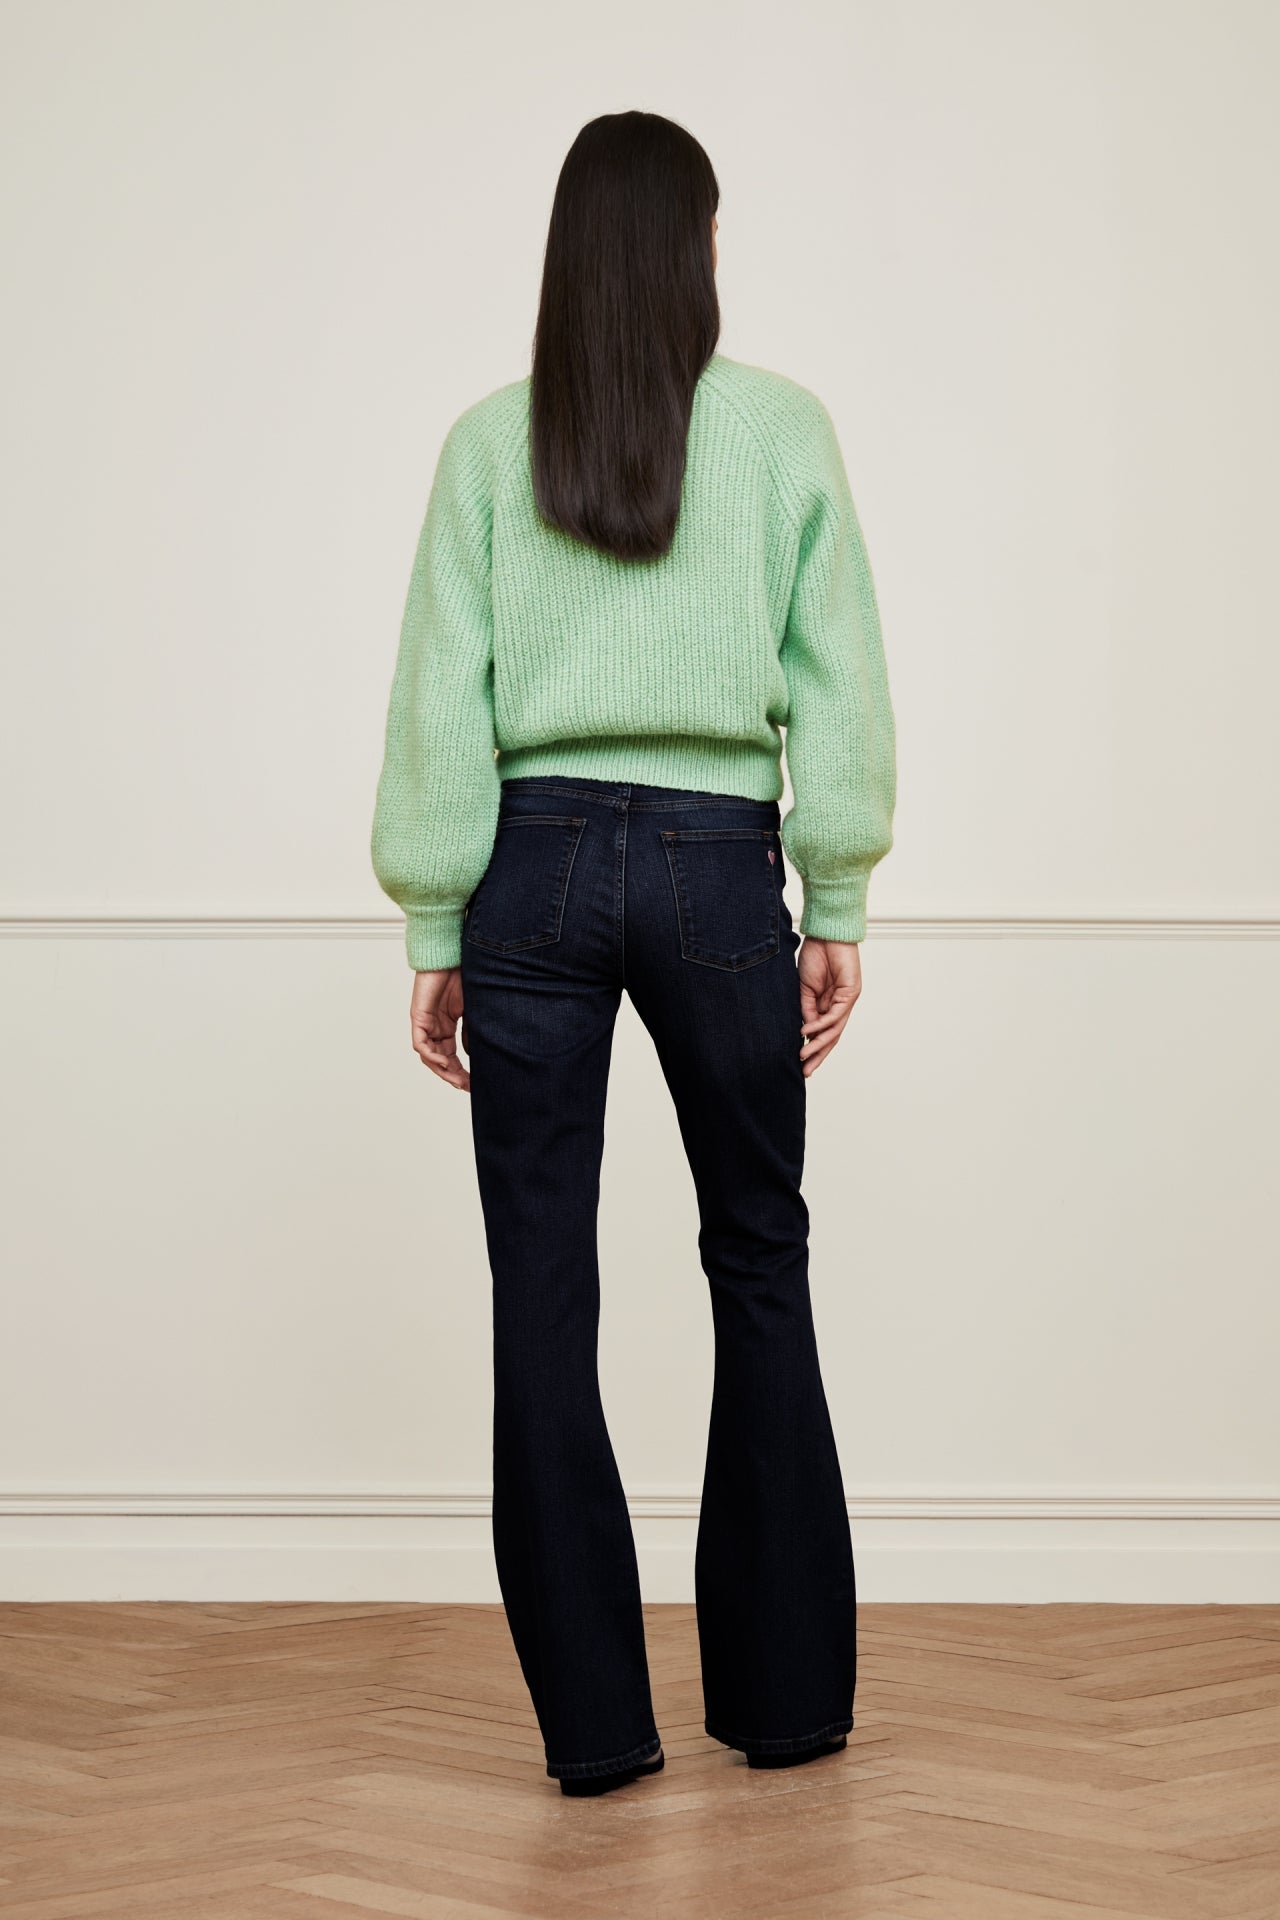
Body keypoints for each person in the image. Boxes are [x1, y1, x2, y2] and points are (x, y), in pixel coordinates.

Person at [370, 109, 897, 1797]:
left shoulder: (485, 444)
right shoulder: (782, 431)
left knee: (541, 1291)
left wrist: (437, 917)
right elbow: (842, 675)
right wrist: (837, 895)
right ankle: (786, 1705)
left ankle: (597, 1734)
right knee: (760, 1257)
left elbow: (439, 692)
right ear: (697, 249)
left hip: (528, 867)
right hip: (718, 869)